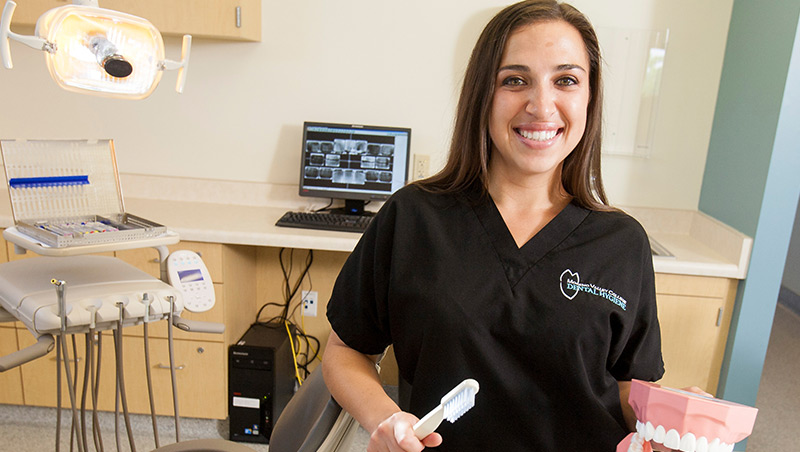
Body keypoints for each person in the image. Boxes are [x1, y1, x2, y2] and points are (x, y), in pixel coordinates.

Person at [322, 1, 666, 450]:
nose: (541, 106)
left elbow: (629, 386)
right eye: (514, 80)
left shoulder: (622, 243)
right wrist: (387, 420)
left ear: (589, 97)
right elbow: (345, 350)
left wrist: (669, 421)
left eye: (566, 80)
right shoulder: (414, 217)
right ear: (482, 94)